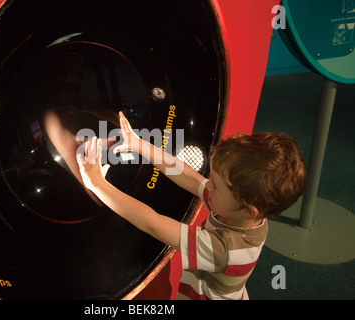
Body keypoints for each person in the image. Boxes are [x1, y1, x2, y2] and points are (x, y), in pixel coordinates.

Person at [76, 111, 306, 300]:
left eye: (215, 185)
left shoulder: (222, 249)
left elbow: (152, 224)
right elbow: (187, 174)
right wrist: (140, 145)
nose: (209, 186)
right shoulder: (244, 212)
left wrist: (98, 184)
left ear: (249, 210)